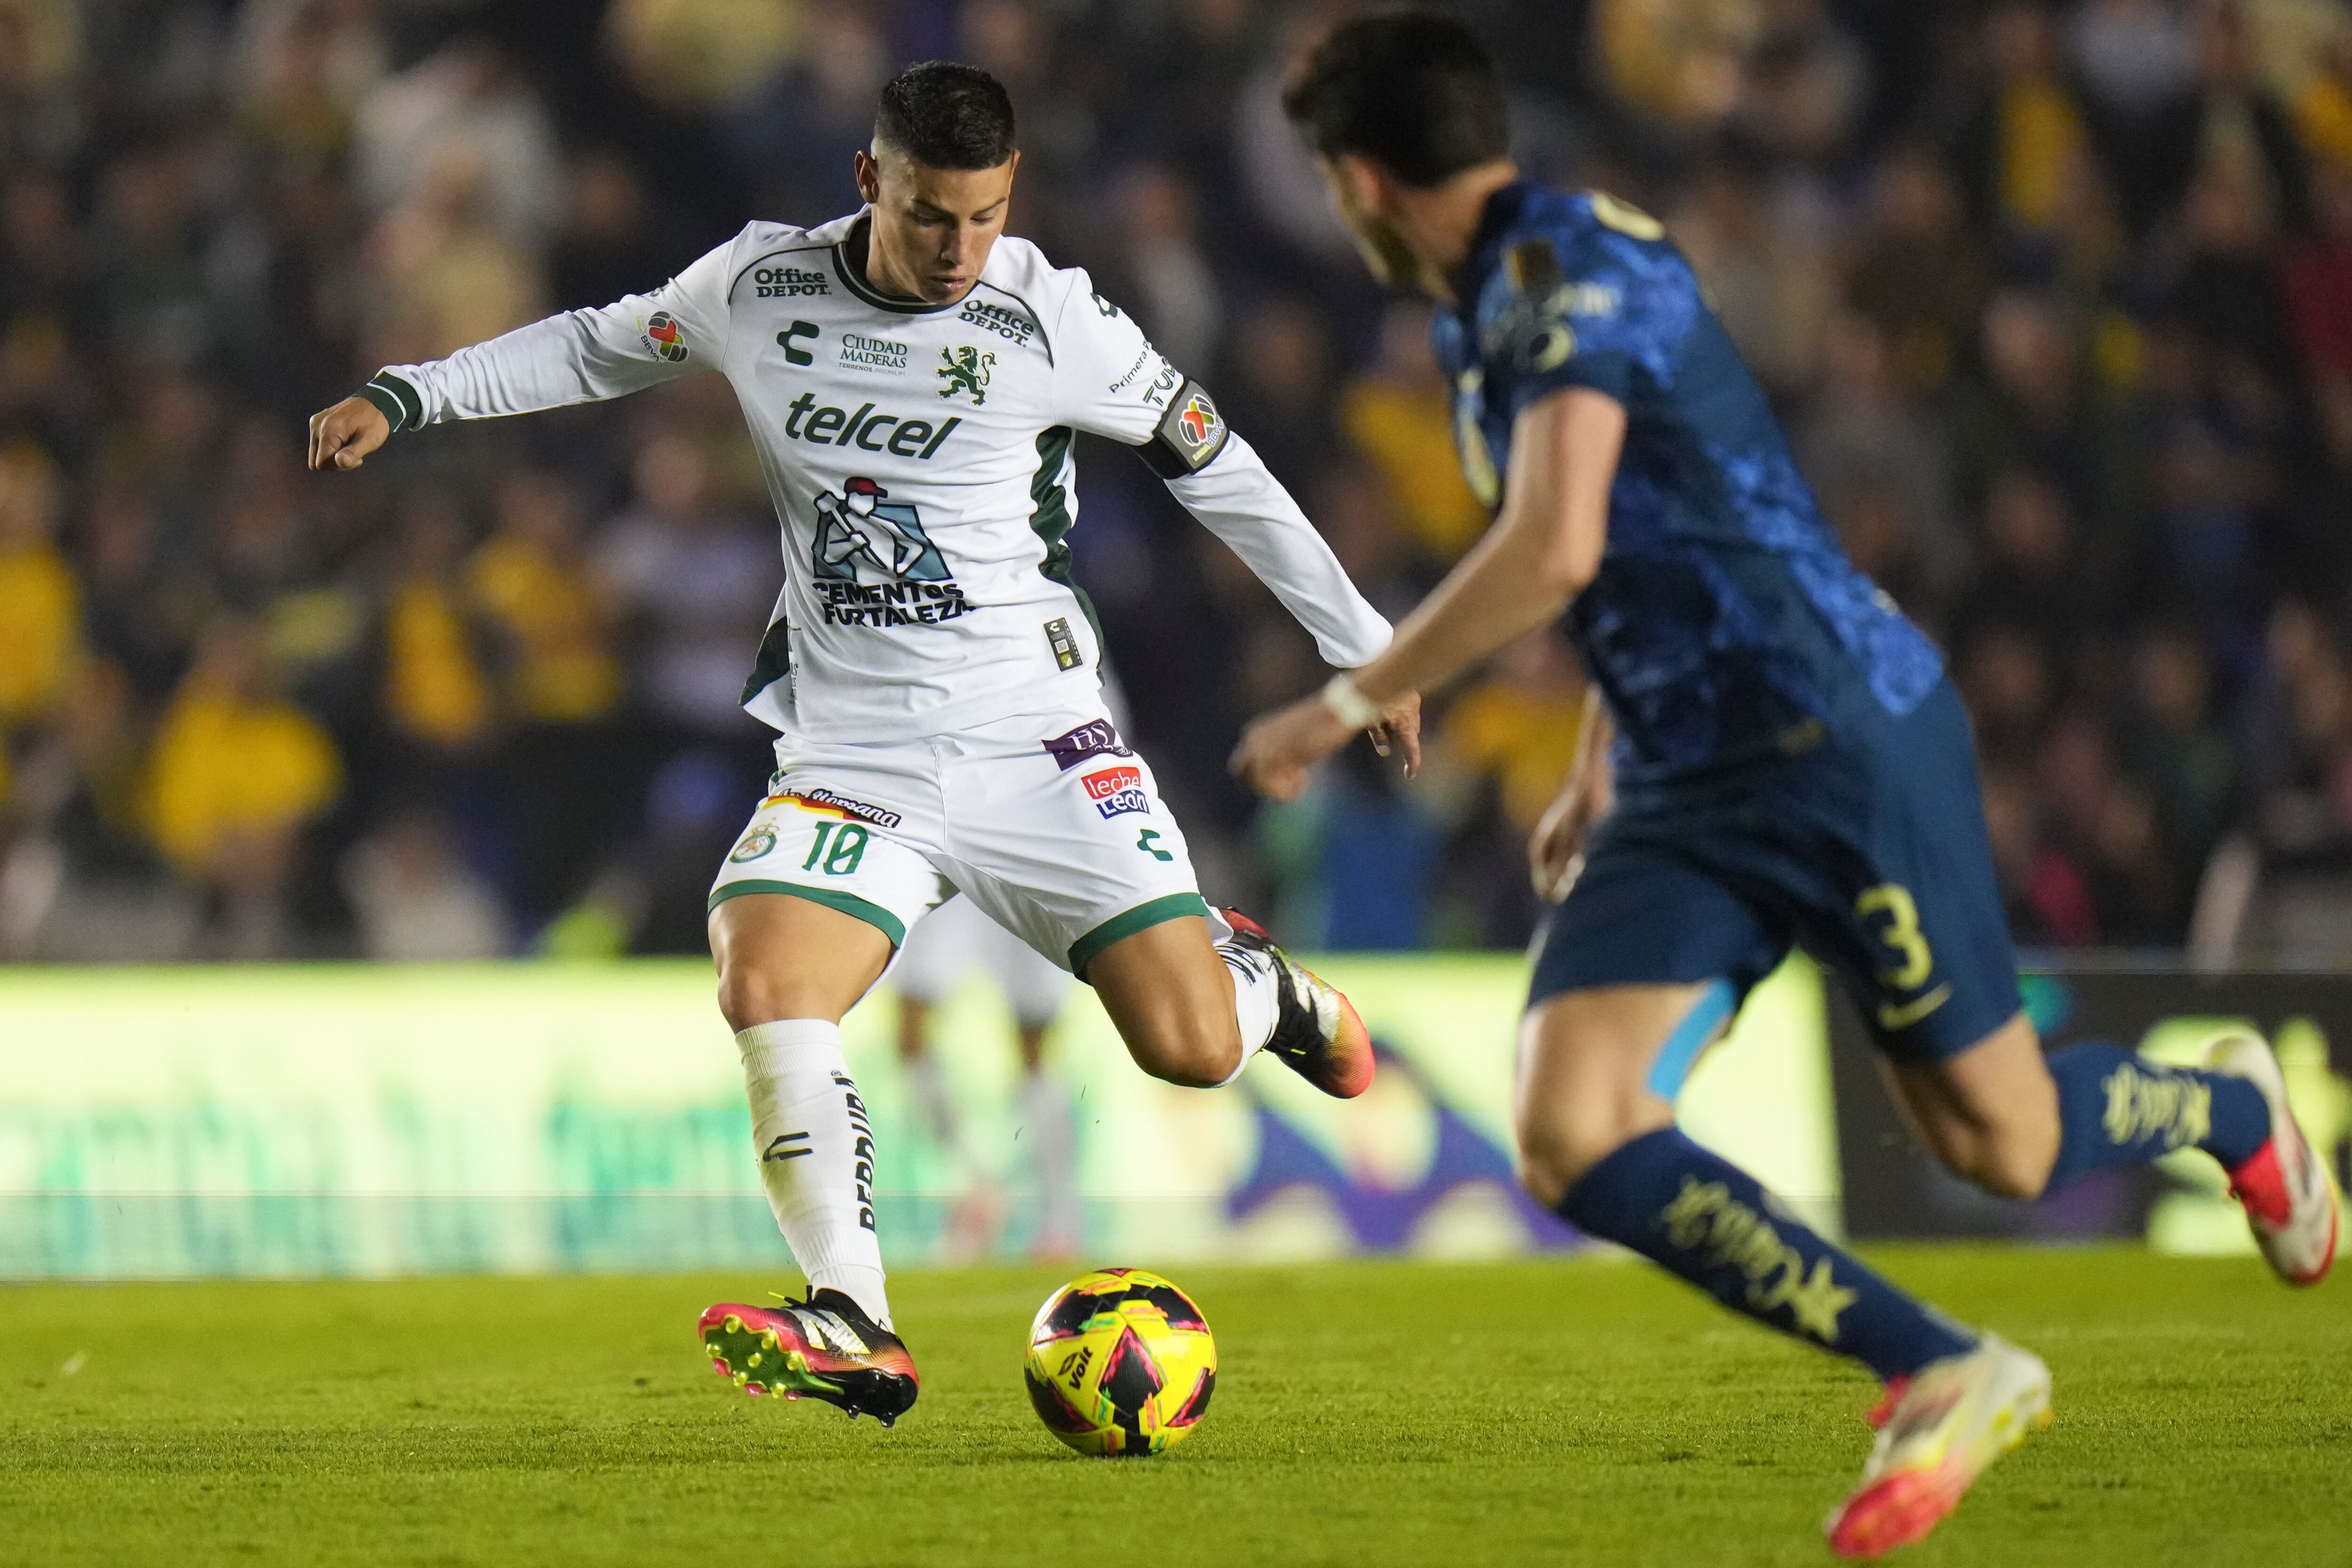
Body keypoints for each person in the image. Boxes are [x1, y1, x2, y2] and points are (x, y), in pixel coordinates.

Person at [1235, 15, 2336, 1560]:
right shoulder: (1493, 302)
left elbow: (1554, 546)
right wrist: (1606, 754)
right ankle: (1940, 1364)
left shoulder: (1557, 278)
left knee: (2000, 1143)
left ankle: (2226, 1103)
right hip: (1692, 770)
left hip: (1835, 737)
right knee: (1573, 1126)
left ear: (1356, 180)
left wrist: (1351, 692)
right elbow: (1637, 543)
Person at [308, 61, 1418, 1429]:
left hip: (1039, 738)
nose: (961, 250)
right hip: (855, 754)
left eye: (985, 216)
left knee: (1188, 1046)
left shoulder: (1047, 317)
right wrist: (412, 395)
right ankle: (852, 1316)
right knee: (765, 970)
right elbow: (596, 342)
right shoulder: (759, 290)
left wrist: (1359, 639)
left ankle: (1263, 988)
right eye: (931, 217)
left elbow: (1214, 459)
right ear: (866, 182)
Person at [891, 891, 1081, 1260]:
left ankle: (1060, 1221)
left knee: (1035, 1048)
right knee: (911, 1030)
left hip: (1028, 872)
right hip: (955, 865)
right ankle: (976, 1187)